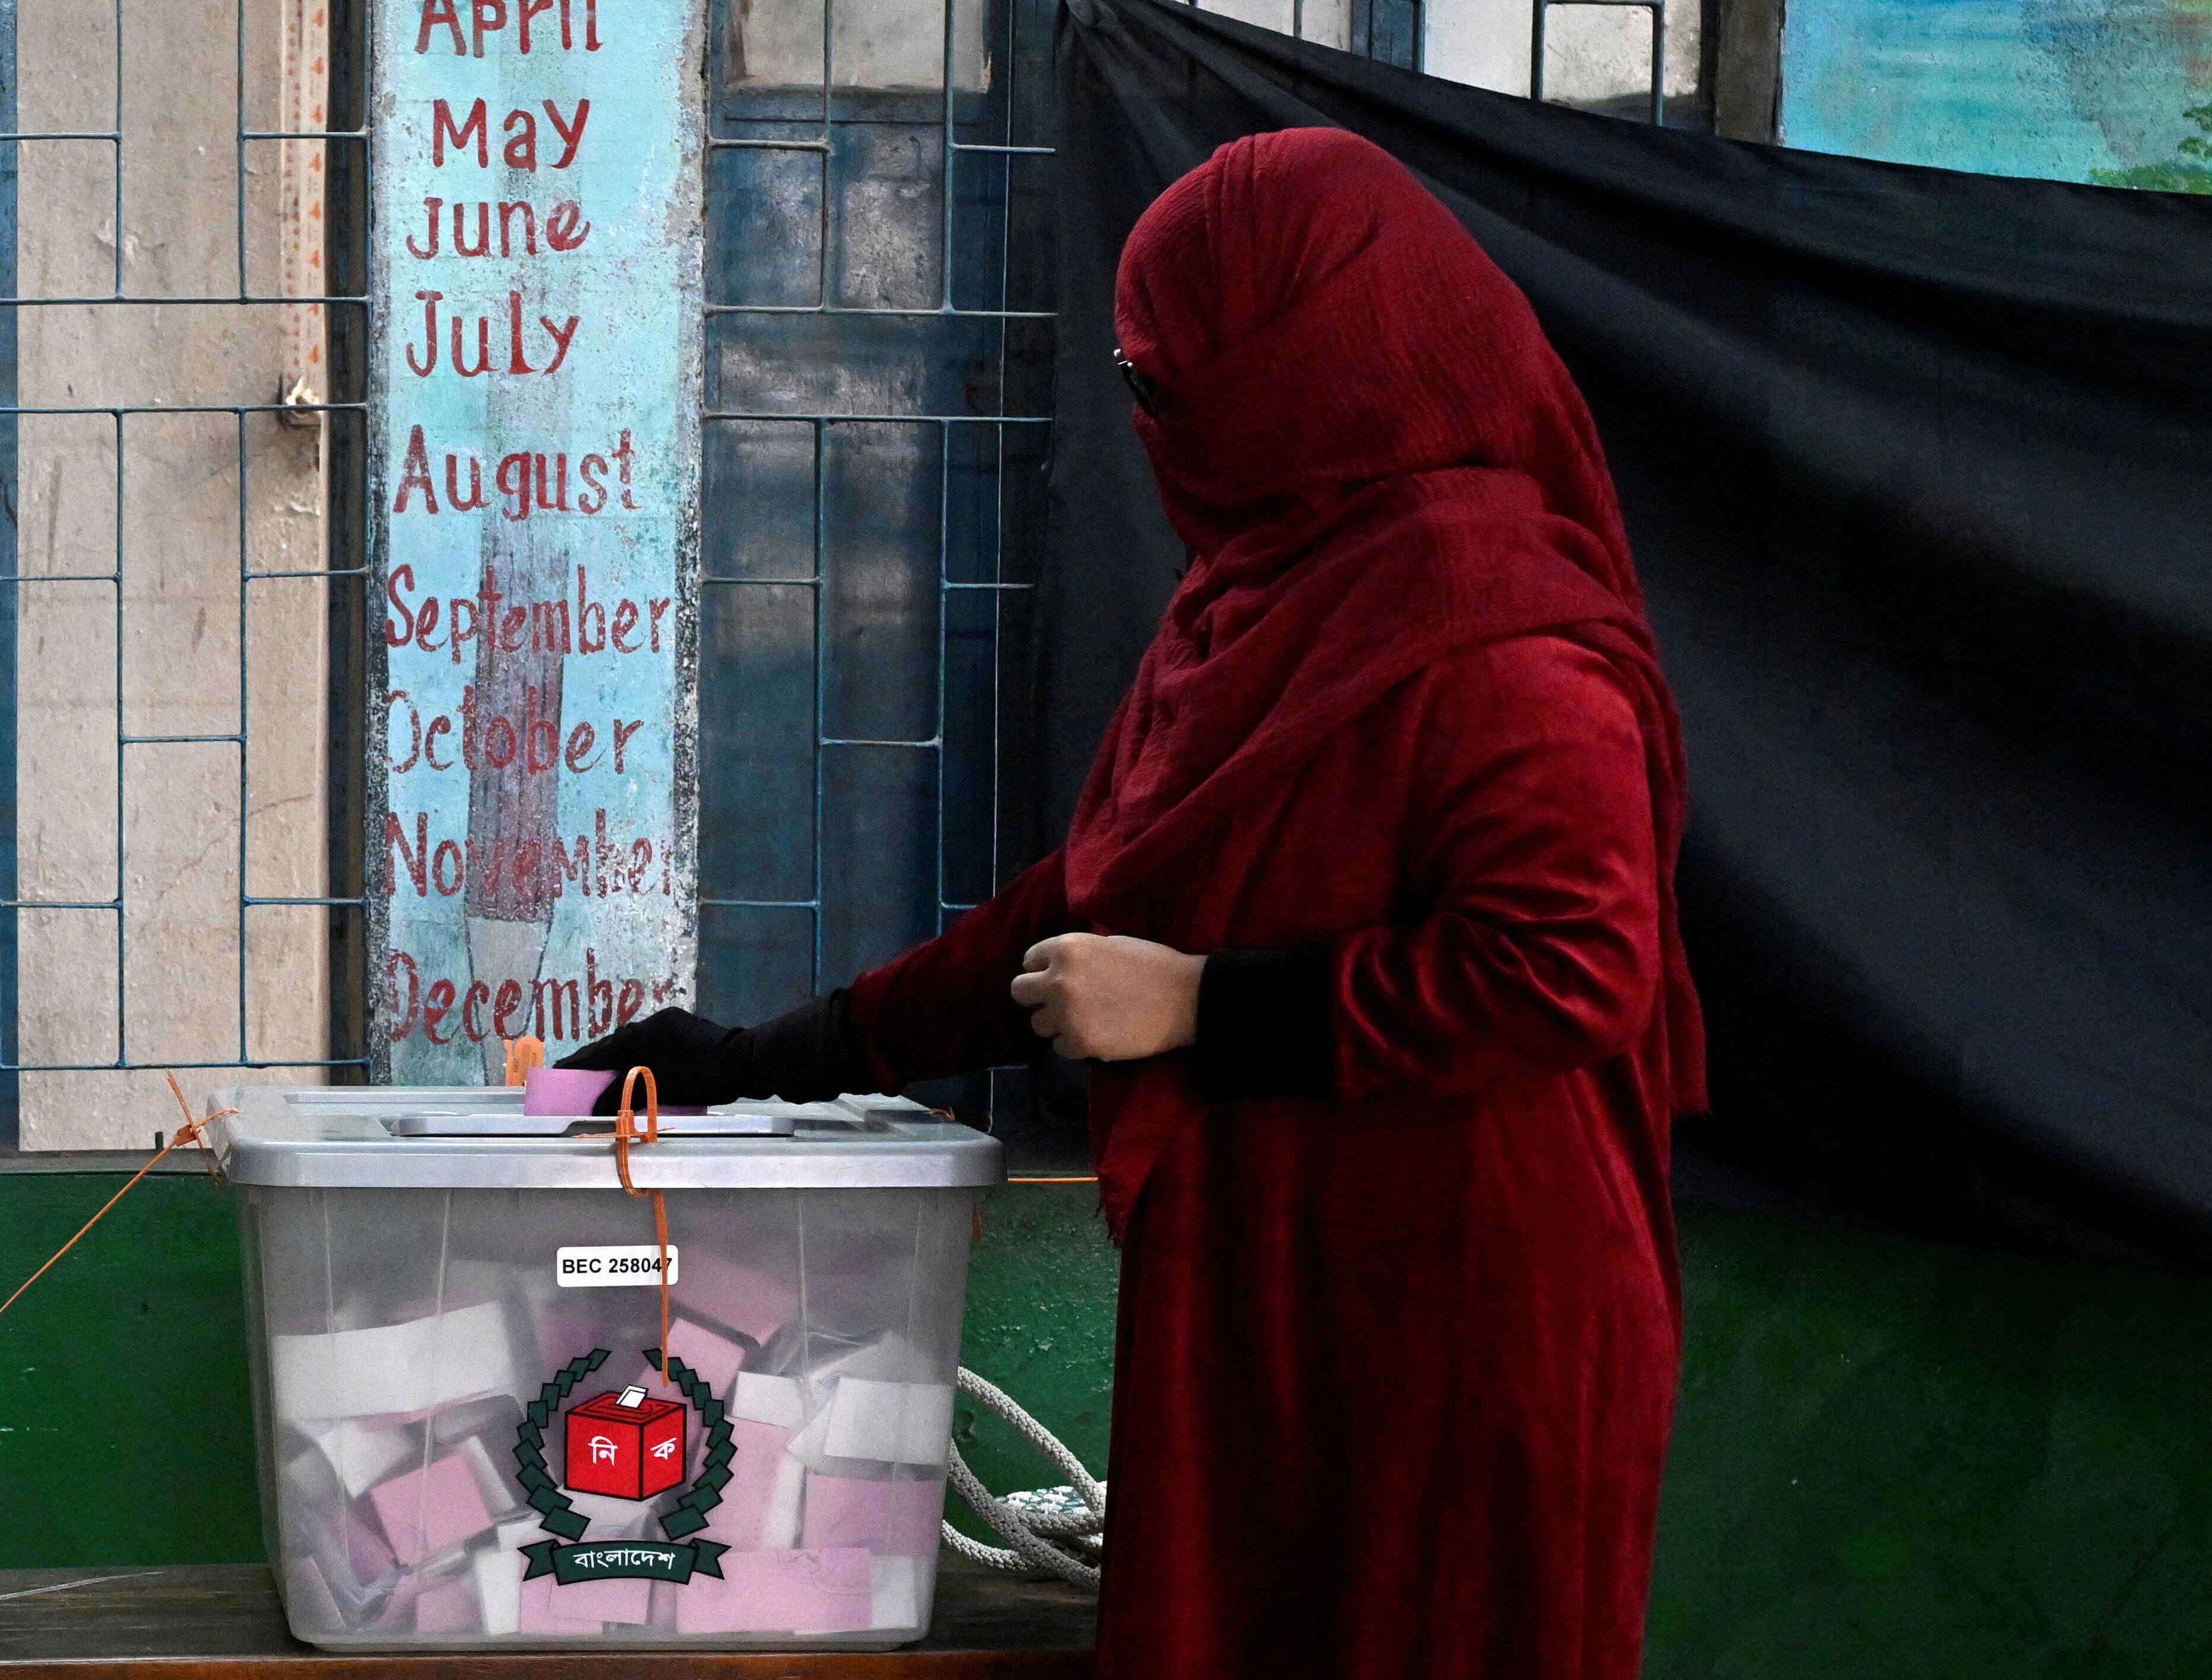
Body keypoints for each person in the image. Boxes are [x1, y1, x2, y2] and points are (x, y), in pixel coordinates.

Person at [560, 126, 1704, 1680]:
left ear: (1311, 367)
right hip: (1287, 1299)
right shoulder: (1276, 588)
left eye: (1171, 381)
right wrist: (764, 1058)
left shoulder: (1494, 632)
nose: (1151, 415)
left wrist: (1200, 1004)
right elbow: (1090, 909)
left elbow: (1573, 966)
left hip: (1469, 1325)